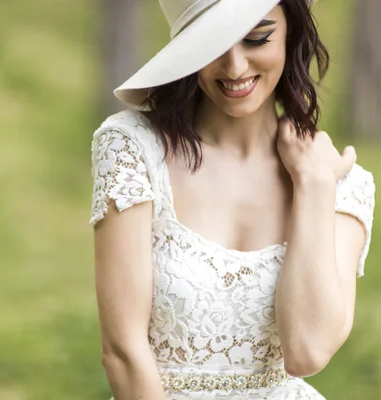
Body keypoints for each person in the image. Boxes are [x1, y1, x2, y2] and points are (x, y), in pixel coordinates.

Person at [89, 0, 376, 399]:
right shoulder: (133, 148)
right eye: (212, 45)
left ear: (290, 32)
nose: (235, 68)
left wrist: (313, 184)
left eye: (257, 39)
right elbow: (122, 351)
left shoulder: (343, 185)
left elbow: (306, 352)